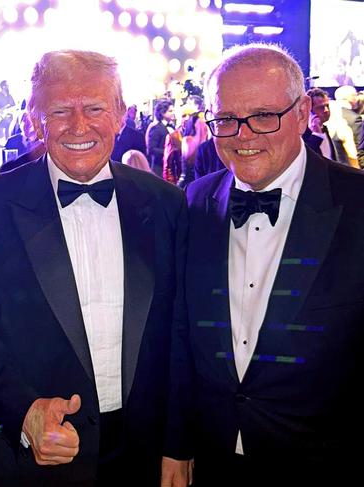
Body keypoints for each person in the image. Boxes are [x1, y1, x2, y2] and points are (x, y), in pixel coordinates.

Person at [0, 50, 190, 487]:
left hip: (141, 457)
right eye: (59, 111)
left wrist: (177, 444)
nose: (78, 126)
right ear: (35, 120)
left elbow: (180, 334)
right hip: (26, 461)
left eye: (94, 108)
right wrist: (25, 411)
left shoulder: (166, 203)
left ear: (120, 115)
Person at [178, 43, 364, 486]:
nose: (243, 135)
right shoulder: (196, 200)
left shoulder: (358, 204)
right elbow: (182, 336)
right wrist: (177, 443)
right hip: (214, 460)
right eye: (226, 120)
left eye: (264, 116)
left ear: (302, 114)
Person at [146, 99, 174, 178]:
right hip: (158, 168)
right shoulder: (156, 128)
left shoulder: (172, 127)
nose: (173, 113)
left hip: (169, 167)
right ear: (162, 113)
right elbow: (151, 149)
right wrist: (167, 152)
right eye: (170, 111)